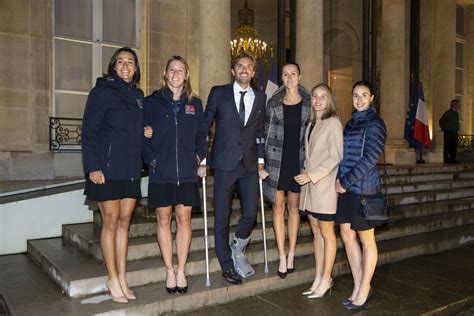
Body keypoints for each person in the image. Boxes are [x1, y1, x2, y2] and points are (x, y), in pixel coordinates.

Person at [82, 47, 152, 303]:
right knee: (110, 222)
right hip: (107, 169)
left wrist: (147, 133)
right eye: (120, 62)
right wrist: (93, 167)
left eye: (130, 62)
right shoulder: (101, 92)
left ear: (135, 68)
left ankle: (122, 276)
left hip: (131, 168)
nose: (125, 66)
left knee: (125, 223)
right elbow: (89, 132)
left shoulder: (138, 95)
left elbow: (138, 128)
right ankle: (111, 278)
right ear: (113, 66)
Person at [142, 56, 207, 294]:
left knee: (184, 220)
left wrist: (198, 157)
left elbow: (202, 135)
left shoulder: (195, 104)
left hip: (187, 173)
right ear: (165, 73)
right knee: (163, 219)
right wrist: (152, 160)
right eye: (172, 70)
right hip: (161, 171)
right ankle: (169, 270)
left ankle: (181, 269)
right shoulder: (152, 102)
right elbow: (142, 135)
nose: (176, 74)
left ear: (186, 75)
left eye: (180, 70)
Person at [204, 51, 266, 285]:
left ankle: (237, 248)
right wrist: (201, 157)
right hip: (223, 164)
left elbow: (259, 131)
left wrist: (260, 162)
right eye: (240, 66)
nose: (244, 69)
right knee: (222, 217)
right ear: (233, 70)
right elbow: (206, 123)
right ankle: (226, 265)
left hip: (249, 166)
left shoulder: (260, 97)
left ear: (253, 72)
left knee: (251, 213)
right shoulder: (218, 93)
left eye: (249, 66)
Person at [335, 80, 387, 310]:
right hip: (346, 187)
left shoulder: (376, 124)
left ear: (372, 97)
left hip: (364, 188)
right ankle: (358, 284)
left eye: (364, 95)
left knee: (367, 239)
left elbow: (369, 159)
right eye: (355, 95)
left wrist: (345, 181)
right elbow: (343, 155)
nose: (359, 99)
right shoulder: (349, 123)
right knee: (346, 234)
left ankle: (365, 287)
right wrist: (338, 178)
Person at [263, 62, 311, 278]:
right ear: (282, 78)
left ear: (300, 76)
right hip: (276, 160)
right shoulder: (273, 102)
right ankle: (281, 256)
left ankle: (292, 253)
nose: (290, 78)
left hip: (299, 160)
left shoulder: (311, 103)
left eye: (293, 74)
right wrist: (261, 161)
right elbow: (263, 133)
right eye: (286, 74)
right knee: (277, 207)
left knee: (294, 209)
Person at [295, 83, 343, 298]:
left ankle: (326, 279)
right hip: (309, 189)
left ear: (329, 100)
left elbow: (336, 156)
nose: (318, 100)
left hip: (323, 187)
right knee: (315, 232)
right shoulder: (312, 123)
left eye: (323, 96)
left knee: (326, 232)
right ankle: (318, 277)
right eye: (315, 96)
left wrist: (312, 175)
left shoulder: (333, 123)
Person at [439, 99, 460, 163]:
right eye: (457, 104)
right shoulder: (448, 113)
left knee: (454, 146)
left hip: (454, 132)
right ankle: (446, 159)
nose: (459, 105)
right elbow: (441, 121)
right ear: (453, 105)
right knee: (447, 146)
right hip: (448, 132)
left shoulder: (456, 113)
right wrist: (444, 128)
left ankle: (453, 159)